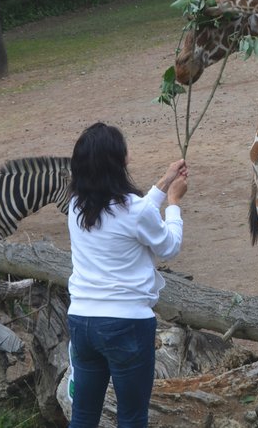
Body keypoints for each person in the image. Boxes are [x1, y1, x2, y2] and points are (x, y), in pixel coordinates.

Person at [66, 122, 189, 428]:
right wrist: (173, 203)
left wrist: (164, 181)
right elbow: (169, 246)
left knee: (83, 415)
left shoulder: (75, 207)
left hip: (82, 322)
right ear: (119, 162)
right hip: (127, 325)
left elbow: (133, 216)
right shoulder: (134, 211)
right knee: (132, 418)